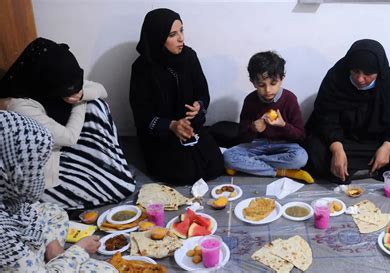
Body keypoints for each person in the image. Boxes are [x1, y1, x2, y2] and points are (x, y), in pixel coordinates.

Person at [0, 38, 136, 210]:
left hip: (64, 145)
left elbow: (101, 89)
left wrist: (80, 95)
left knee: (96, 105)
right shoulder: (19, 104)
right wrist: (79, 101)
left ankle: (110, 168)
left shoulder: (54, 78)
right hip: (46, 168)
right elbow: (69, 138)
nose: (72, 91)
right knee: (117, 188)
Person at [304, 39, 390, 184]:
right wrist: (337, 149)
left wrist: (387, 147)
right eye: (355, 72)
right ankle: (365, 168)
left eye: (368, 74)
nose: (360, 79)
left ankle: (361, 168)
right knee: (312, 152)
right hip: (343, 141)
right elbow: (325, 117)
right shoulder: (336, 77)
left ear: (379, 71)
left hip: (379, 141)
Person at [0, 111, 117, 273]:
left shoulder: (5, 191)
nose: (39, 173)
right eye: (33, 166)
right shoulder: (2, 236)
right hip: (24, 265)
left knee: (52, 211)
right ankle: (53, 265)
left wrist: (52, 246)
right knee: (105, 270)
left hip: (21, 258)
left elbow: (27, 210)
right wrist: (79, 251)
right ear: (9, 167)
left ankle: (54, 258)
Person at [130, 8, 224, 185]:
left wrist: (199, 105)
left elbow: (202, 91)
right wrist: (171, 125)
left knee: (215, 165)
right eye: (172, 34)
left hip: (190, 127)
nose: (181, 38)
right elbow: (141, 113)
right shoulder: (143, 68)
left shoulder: (189, 56)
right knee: (183, 174)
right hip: (161, 134)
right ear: (158, 37)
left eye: (182, 30)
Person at [223, 51, 314, 183]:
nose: (268, 90)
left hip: (284, 146)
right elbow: (241, 137)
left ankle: (251, 165)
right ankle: (281, 171)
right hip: (258, 145)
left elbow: (301, 136)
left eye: (273, 83)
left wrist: (284, 125)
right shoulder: (250, 100)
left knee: (301, 157)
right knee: (228, 156)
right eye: (261, 85)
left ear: (281, 79)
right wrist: (253, 129)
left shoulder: (289, 99)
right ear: (253, 82)